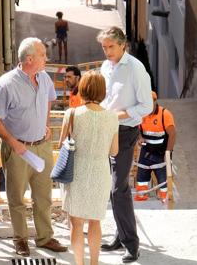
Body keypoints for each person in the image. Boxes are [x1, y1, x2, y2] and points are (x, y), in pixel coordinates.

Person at [0, 37, 68, 257]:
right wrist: (13, 143)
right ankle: (20, 240)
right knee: (17, 198)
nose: (47, 58)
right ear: (30, 59)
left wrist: (46, 123)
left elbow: (49, 99)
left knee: (44, 197)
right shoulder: (6, 84)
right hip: (17, 149)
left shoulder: (44, 78)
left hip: (42, 146)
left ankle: (45, 237)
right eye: (43, 55)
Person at [97, 27, 152, 263]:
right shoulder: (105, 67)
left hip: (126, 131)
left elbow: (146, 106)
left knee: (118, 188)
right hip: (106, 130)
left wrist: (121, 114)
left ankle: (132, 244)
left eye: (111, 46)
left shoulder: (136, 69)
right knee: (112, 187)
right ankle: (120, 236)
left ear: (123, 45)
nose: (107, 51)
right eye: (104, 47)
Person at [59, 71, 119, 265]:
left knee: (76, 223)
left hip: (75, 173)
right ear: (103, 91)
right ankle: (94, 263)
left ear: (82, 89)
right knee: (95, 221)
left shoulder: (72, 114)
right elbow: (114, 151)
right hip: (100, 173)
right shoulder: (112, 117)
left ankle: (79, 263)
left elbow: (62, 144)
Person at [134, 91, 176, 202]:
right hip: (146, 153)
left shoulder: (165, 114)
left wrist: (168, 153)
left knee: (164, 185)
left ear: (155, 101)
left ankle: (165, 205)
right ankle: (142, 202)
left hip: (161, 155)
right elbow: (136, 129)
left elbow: (172, 135)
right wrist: (139, 138)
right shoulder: (141, 114)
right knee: (141, 182)